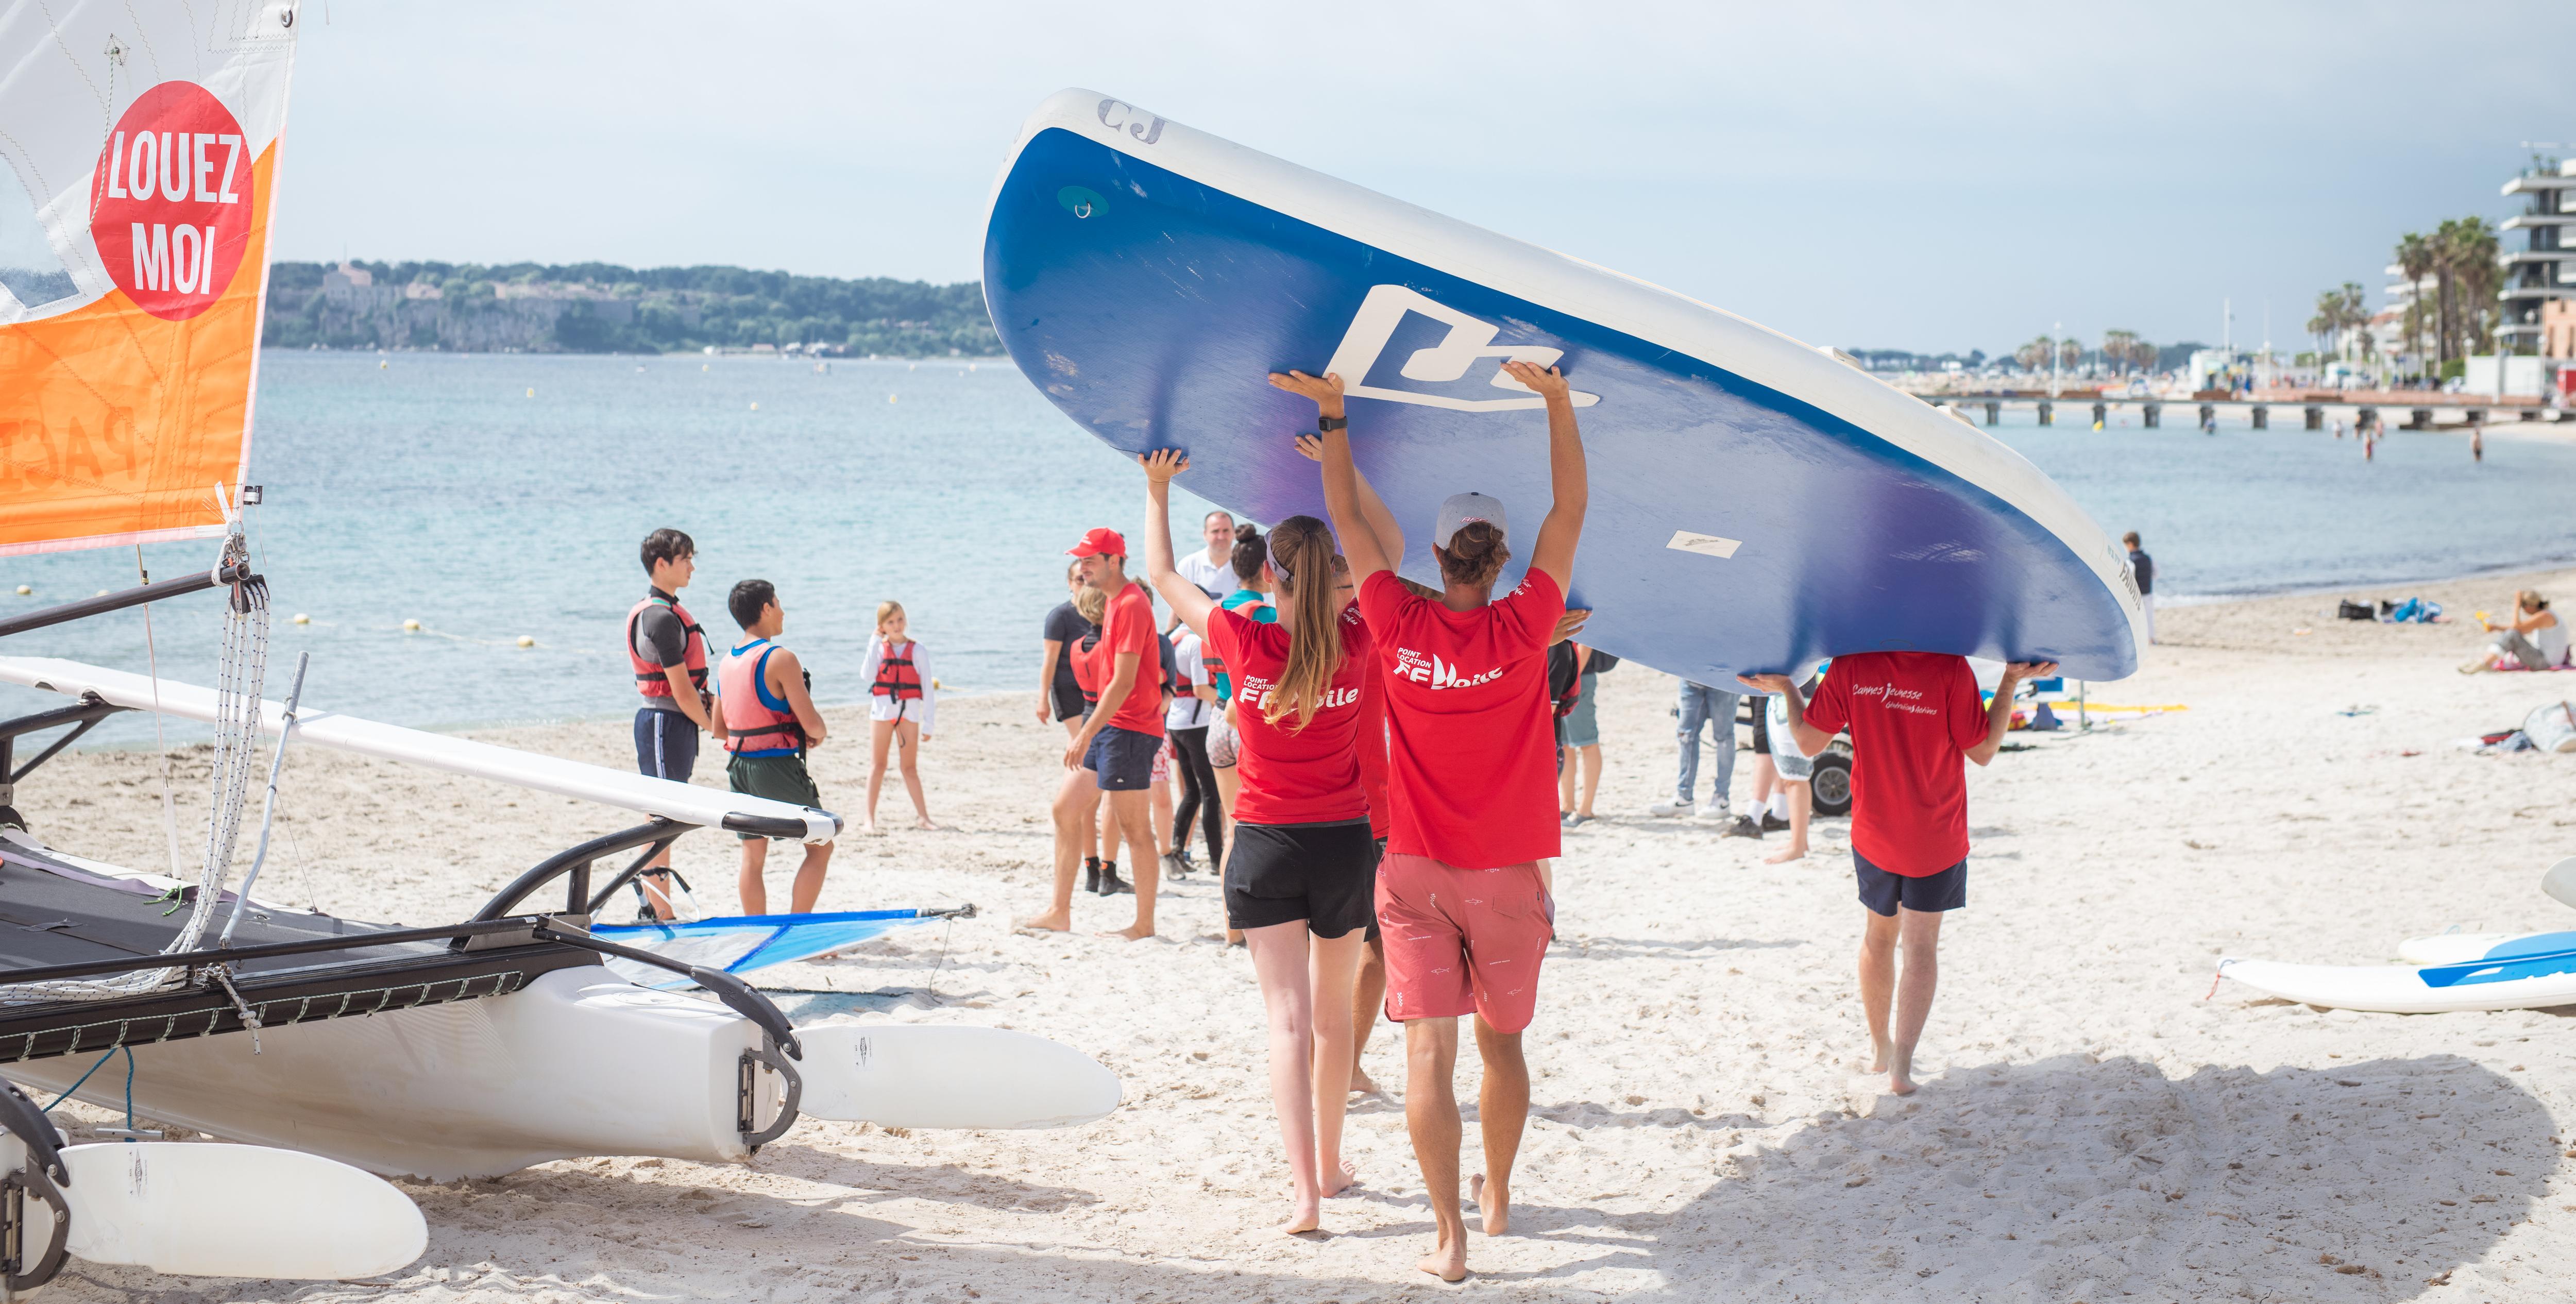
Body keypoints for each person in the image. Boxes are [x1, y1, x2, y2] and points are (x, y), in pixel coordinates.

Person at [1289, 357, 1584, 1284]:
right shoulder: (1530, 621)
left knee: (1429, 1050)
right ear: (1498, 558)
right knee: (1504, 1046)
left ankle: (1449, 1240)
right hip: (1504, 874)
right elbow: (1568, 514)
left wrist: (1336, 418)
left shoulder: (1392, 619)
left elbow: (1346, 521)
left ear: (1439, 554)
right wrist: (1558, 399)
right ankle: (1497, 1197)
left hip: (1412, 869)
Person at [1142, 448, 1376, 1236]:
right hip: (1345, 843)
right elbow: (1393, 553)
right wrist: (1345, 459)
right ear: (1336, 578)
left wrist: (1158, 484)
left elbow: (1162, 572)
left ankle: (1306, 1193)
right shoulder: (1359, 633)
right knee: (1333, 1021)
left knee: (1285, 1021)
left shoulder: (1244, 637)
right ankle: (1336, 1167)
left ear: (1268, 575)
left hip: (1267, 843)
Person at [1743, 653, 2055, 1097]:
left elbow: (1809, 742)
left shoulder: (1851, 666)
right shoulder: (1950, 668)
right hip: (1936, 833)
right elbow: (1983, 750)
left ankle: (1880, 1049)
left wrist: (1789, 689)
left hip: (1875, 831)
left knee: (1878, 938)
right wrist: (2008, 680)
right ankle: (1902, 1067)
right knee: (1921, 946)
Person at [1025, 527, 1166, 939]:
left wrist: (1084, 732)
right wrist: (1091, 731)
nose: (1083, 567)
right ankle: (1059, 911)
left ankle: (1144, 924)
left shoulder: (1133, 603)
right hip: (1110, 728)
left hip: (1131, 730)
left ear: (1115, 561)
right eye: (1081, 561)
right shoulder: (1112, 601)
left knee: (1134, 829)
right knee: (1065, 810)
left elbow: (1123, 682)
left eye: (1091, 560)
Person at [714, 580, 834, 915]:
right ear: (766, 608)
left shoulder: (726, 662)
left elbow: (718, 728)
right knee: (821, 847)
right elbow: (814, 725)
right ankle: (798, 929)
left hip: (739, 766)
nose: (783, 612)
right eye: (778, 603)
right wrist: (816, 733)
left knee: (753, 857)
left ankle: (756, 931)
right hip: (775, 767)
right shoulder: (780, 658)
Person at [626, 528, 715, 920]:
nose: (692, 566)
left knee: (665, 813)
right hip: (663, 722)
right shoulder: (658, 617)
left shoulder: (668, 612)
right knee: (663, 815)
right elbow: (680, 690)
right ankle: (657, 909)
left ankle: (657, 904)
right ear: (662, 564)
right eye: (686, 559)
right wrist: (718, 727)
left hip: (673, 724)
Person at [858, 601, 938, 833]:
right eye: (890, 622)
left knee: (909, 768)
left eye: (900, 619)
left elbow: (928, 689)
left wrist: (929, 723)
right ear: (881, 625)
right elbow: (867, 675)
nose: (897, 625)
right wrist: (874, 641)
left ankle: (924, 817)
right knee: (878, 766)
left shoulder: (918, 650)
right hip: (881, 714)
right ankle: (869, 819)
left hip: (909, 714)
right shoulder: (879, 648)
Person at [1644, 679, 1758, 837]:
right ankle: (1684, 798)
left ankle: (1721, 799)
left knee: (1724, 737)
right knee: (1686, 735)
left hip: (1724, 679)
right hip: (1691, 677)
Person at [1164, 620, 1223, 879]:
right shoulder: (1195, 641)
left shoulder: (1172, 637)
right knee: (1211, 793)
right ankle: (1216, 859)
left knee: (1193, 792)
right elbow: (1201, 689)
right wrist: (1228, 702)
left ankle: (1177, 850)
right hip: (1196, 725)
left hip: (1175, 722)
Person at [1038, 562, 1092, 739]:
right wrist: (1043, 699)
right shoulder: (1059, 617)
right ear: (1069, 583)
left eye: (1087, 578)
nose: (1084, 584)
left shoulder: (1100, 613)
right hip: (1068, 688)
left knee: (1087, 744)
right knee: (1082, 741)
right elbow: (1050, 660)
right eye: (1079, 580)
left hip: (1095, 688)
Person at [1555, 642, 1603, 827]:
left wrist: (1571, 681)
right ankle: (1568, 806)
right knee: (1565, 744)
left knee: (1586, 742)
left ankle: (1586, 810)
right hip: (1564, 678)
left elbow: (1587, 642)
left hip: (1578, 678)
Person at [2465, 589, 2568, 673]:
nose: (2523, 610)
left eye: (2523, 607)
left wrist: (2516, 605)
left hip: (2545, 663)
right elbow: (2521, 630)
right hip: (2546, 659)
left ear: (2528, 606)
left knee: (2512, 635)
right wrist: (2496, 628)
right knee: (2512, 635)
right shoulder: (2547, 614)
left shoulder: (2544, 616)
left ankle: (2485, 663)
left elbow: (2516, 629)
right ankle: (2484, 662)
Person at [1177, 509, 1238, 605]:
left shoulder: (1245, 565)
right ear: (1205, 534)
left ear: (1234, 533)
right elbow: (1176, 606)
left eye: (1226, 531)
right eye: (1215, 531)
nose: (1221, 536)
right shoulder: (1188, 565)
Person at [2123, 531, 2155, 645]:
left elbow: (2130, 579)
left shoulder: (2131, 561)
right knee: (2149, 617)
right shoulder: (2148, 558)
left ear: (2130, 544)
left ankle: (2139, 640)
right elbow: (2156, 574)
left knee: (2137, 618)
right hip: (2148, 592)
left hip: (2137, 595)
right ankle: (2151, 639)